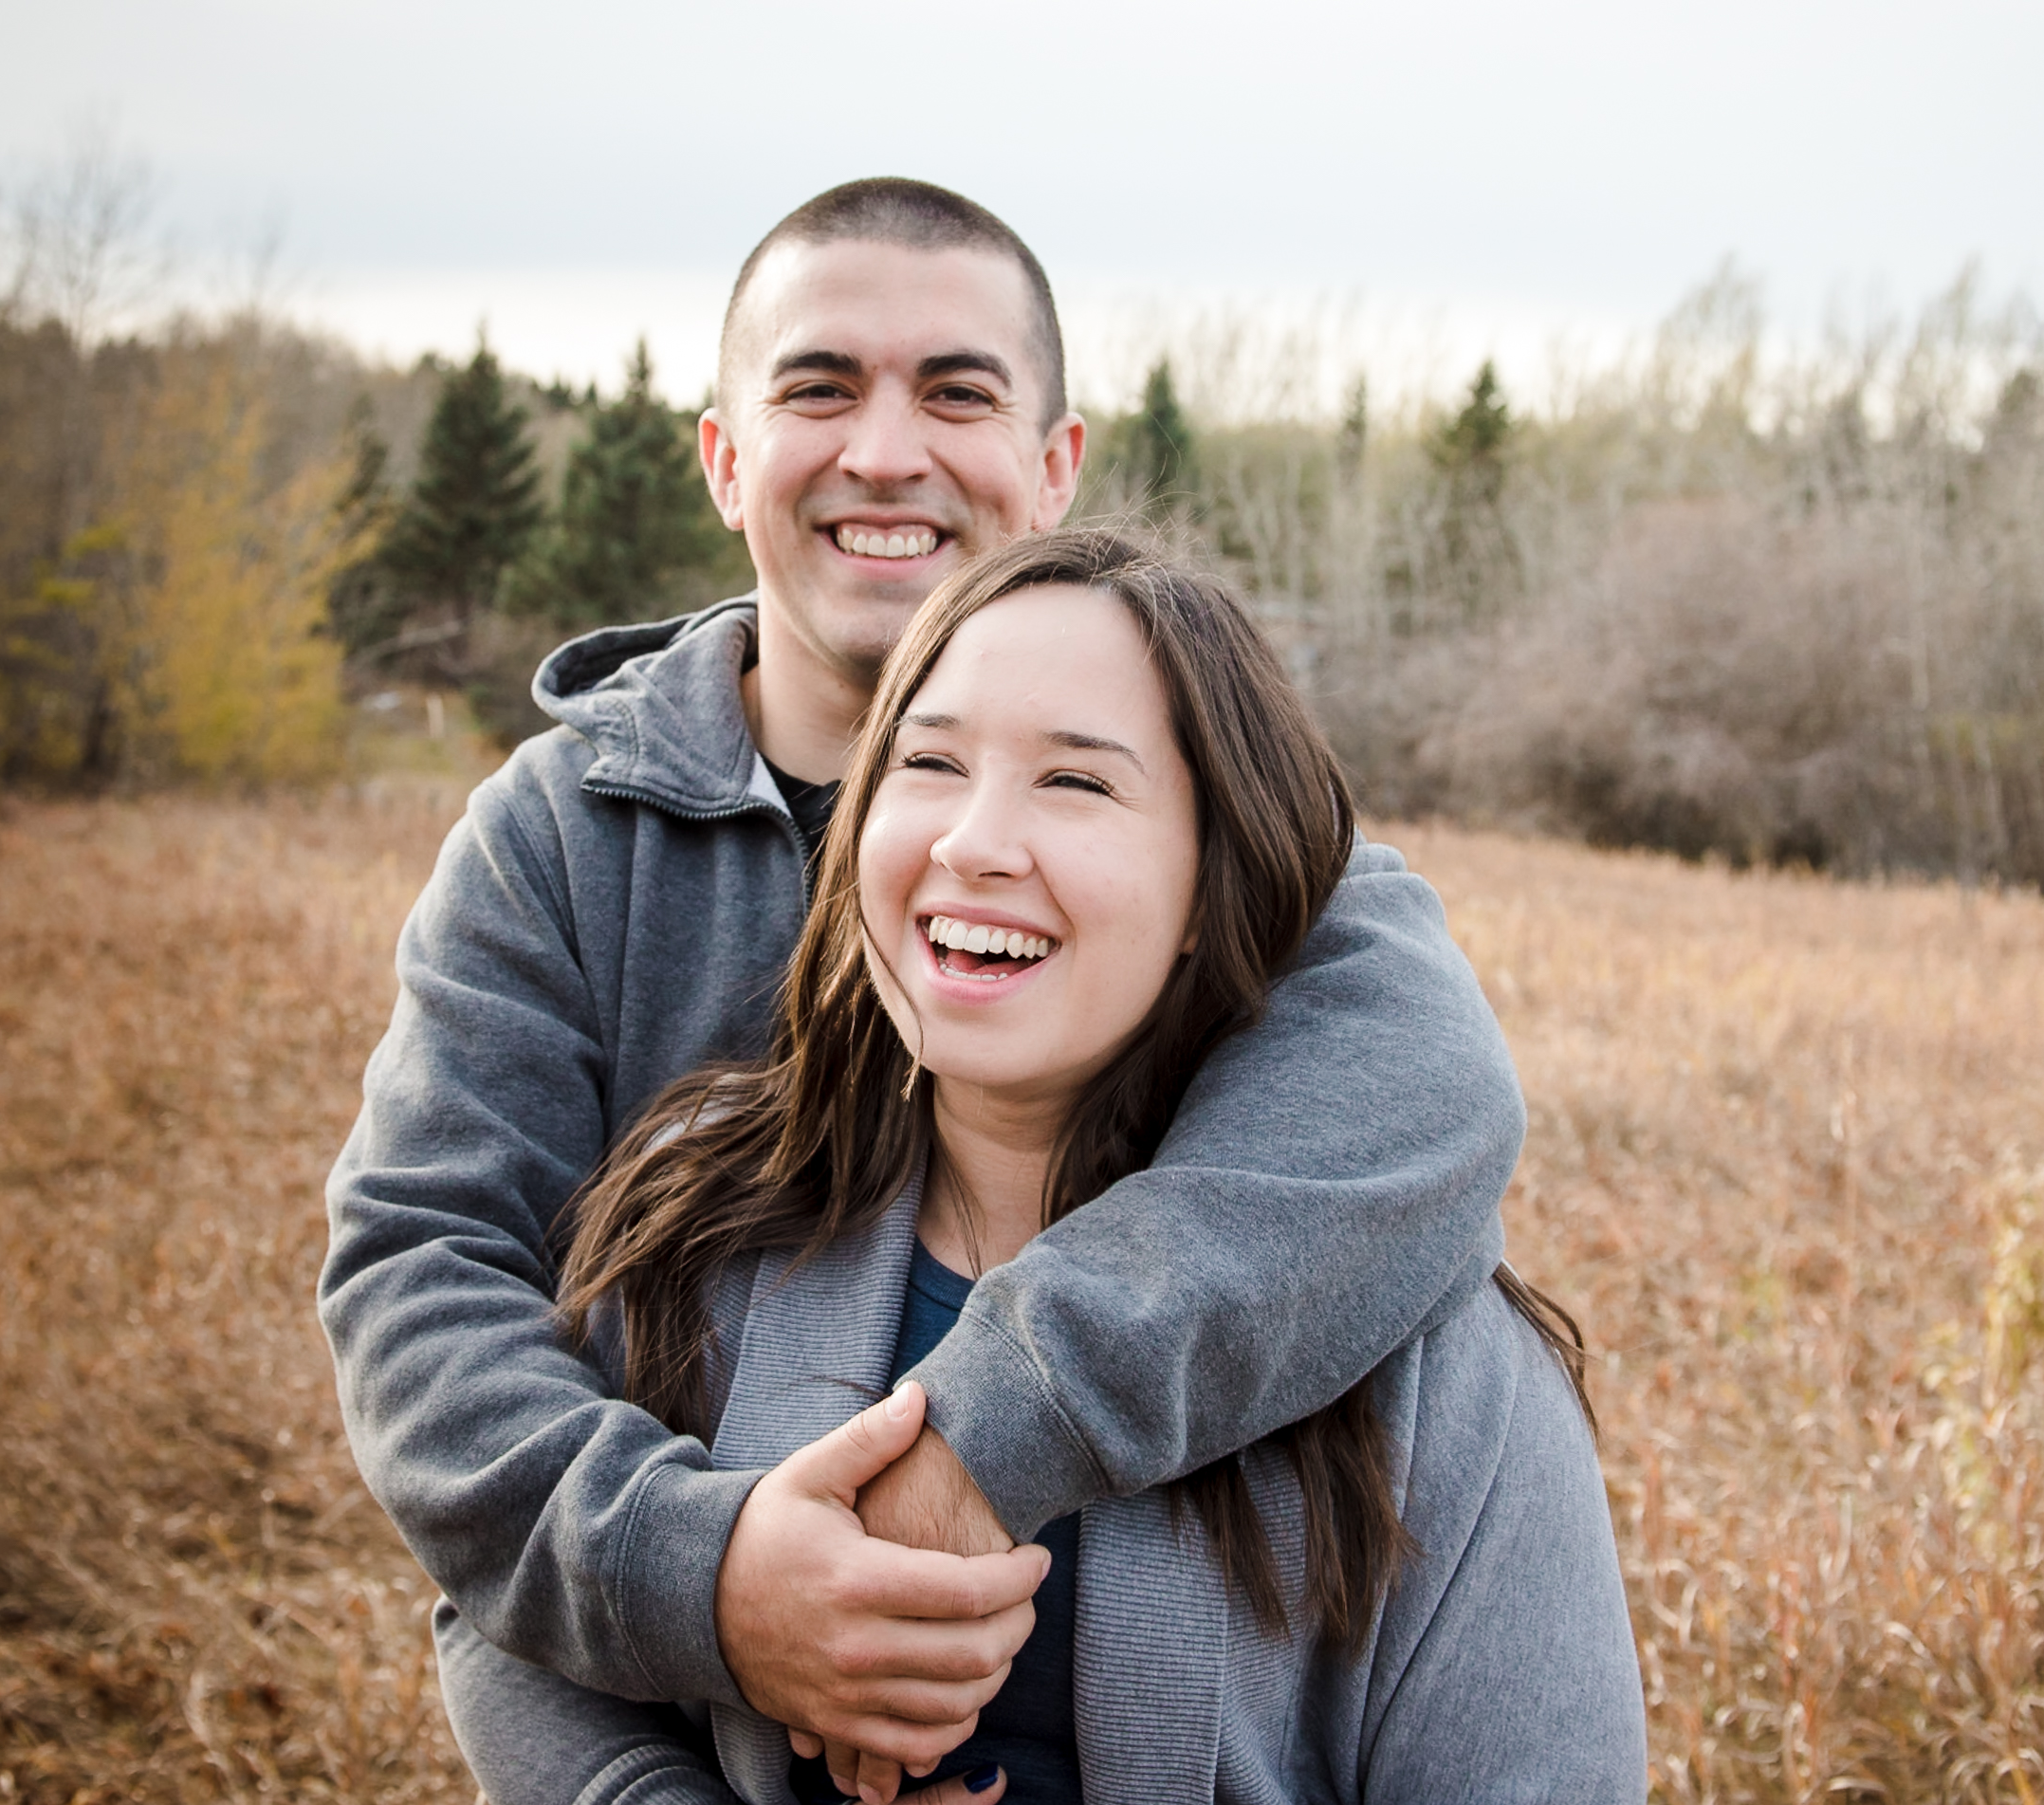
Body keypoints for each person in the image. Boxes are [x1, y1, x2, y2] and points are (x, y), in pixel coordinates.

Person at [318, 178, 1525, 1778]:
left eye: (956, 392)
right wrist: (715, 1578)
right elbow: (426, 1280)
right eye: (818, 387)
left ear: (1053, 468)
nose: (884, 451)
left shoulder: (1217, 827)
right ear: (724, 457)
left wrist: (968, 1445)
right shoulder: (557, 842)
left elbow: (1424, 1102)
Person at [433, 530, 1648, 1804]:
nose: (973, 842)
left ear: (1205, 889)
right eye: (929, 763)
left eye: (1074, 784)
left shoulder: (1431, 1367)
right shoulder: (700, 1210)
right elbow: (513, 1615)